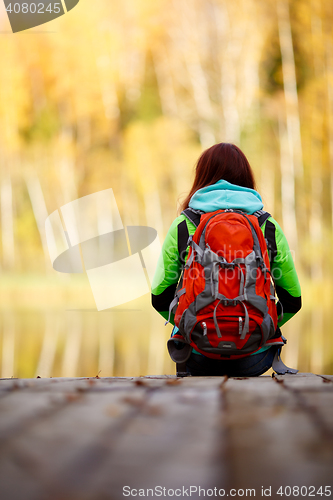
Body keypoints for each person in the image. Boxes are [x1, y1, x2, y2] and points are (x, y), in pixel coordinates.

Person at [151, 143, 301, 377]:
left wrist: (191, 326)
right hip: (255, 358)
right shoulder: (267, 226)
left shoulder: (184, 224)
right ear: (246, 178)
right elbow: (293, 301)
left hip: (196, 356)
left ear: (202, 177)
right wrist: (261, 327)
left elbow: (159, 297)